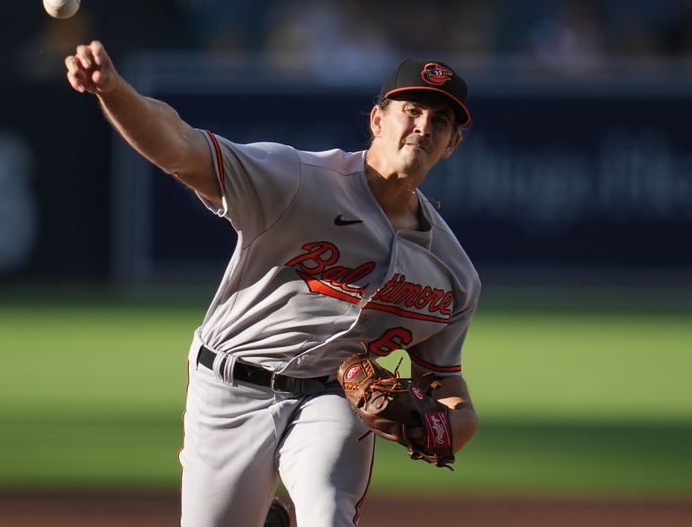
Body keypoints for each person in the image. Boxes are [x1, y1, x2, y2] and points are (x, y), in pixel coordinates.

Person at [66, 42, 480, 527]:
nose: (423, 127)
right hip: (231, 384)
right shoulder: (298, 181)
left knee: (327, 513)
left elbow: (449, 388)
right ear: (377, 120)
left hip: (331, 398)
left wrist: (433, 424)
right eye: (411, 111)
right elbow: (179, 145)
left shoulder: (452, 274)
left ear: (452, 143)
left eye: (441, 120)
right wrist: (113, 90)